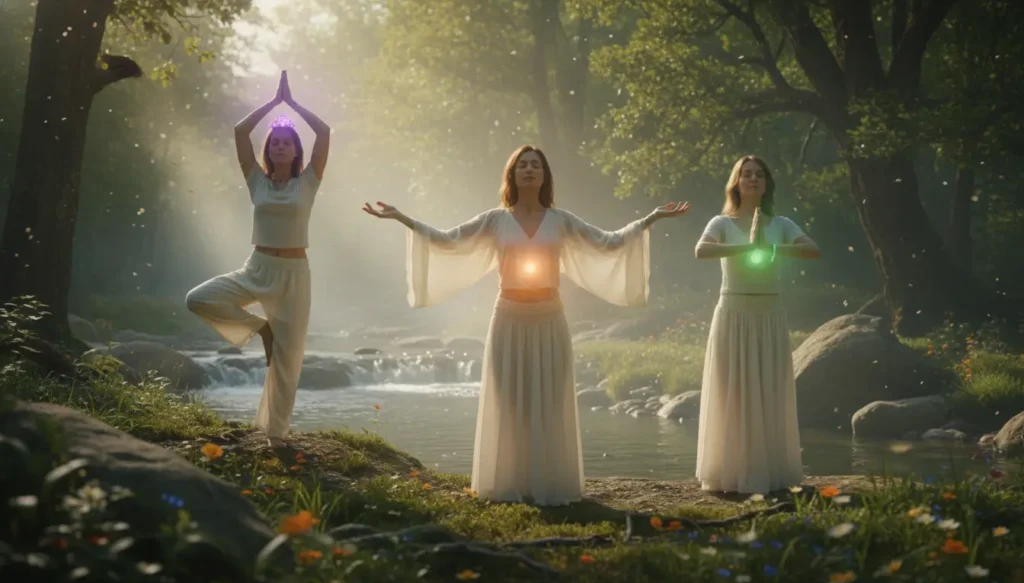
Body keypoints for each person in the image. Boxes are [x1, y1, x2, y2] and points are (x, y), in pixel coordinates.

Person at [363, 145, 690, 505]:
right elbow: (448, 240)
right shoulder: (495, 219)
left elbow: (607, 242)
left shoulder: (561, 220)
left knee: (549, 399)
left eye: (536, 165)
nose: (529, 170)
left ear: (545, 175)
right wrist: (402, 218)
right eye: (523, 165)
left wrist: (651, 219)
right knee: (510, 400)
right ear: (513, 174)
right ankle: (508, 484)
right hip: (508, 315)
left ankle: (550, 484)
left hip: (550, 317)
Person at [185, 71, 330, 448]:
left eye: (287, 143)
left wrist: (293, 104)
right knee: (198, 298)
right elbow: (238, 132)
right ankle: (260, 328)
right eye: (275, 143)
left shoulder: (308, 182)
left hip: (295, 275)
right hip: (257, 267)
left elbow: (325, 133)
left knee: (288, 359)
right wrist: (272, 104)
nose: (280, 147)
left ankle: (276, 436)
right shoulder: (256, 181)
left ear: (296, 151)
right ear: (269, 150)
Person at [693, 155, 821, 494]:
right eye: (746, 174)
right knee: (734, 391)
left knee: (768, 390)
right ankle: (730, 473)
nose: (752, 179)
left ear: (766, 184)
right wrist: (747, 247)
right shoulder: (721, 222)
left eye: (759, 175)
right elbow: (701, 251)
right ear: (736, 182)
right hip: (733, 313)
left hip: (769, 315)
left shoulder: (780, 223)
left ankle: (772, 473)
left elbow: (812, 249)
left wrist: (773, 247)